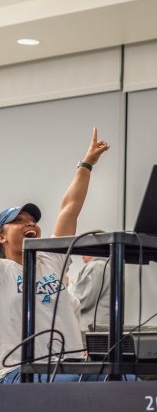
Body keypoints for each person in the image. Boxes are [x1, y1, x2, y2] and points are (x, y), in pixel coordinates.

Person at [0, 128, 112, 383]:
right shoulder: (3, 270)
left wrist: (87, 164)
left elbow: (69, 209)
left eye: (33, 221)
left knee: (125, 380)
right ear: (1, 237)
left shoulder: (51, 259)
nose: (30, 224)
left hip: (68, 368)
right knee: (79, 382)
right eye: (18, 221)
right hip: (16, 374)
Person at [70, 252, 111, 331]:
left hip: (90, 328)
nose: (82, 254)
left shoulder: (97, 266)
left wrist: (68, 286)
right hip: (97, 327)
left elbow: (80, 299)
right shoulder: (105, 266)